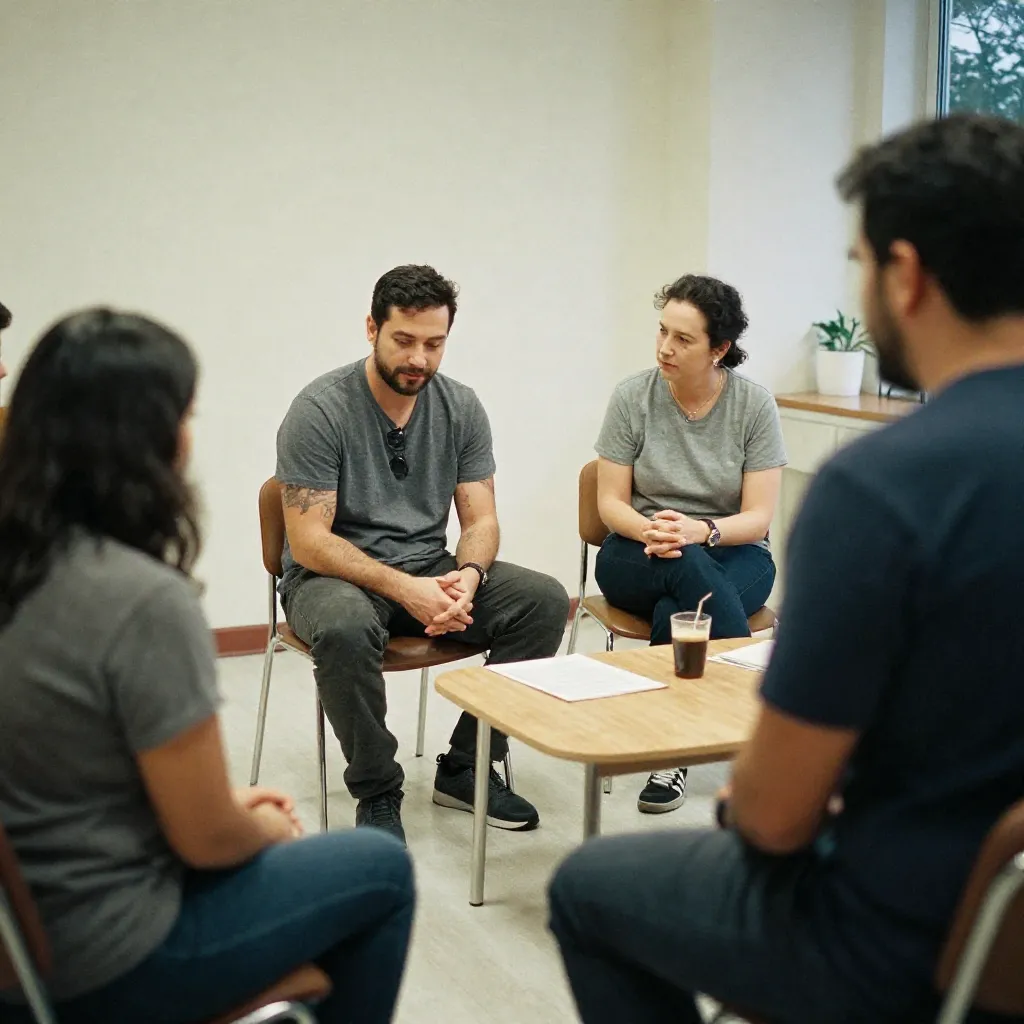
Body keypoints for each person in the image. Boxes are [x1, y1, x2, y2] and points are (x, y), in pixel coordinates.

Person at [548, 113, 1024, 1024]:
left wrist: (767, 789)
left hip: (902, 937)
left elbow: (770, 820)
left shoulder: (882, 490)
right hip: (1008, 929)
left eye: (859, 263)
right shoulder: (642, 400)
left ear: (908, 274)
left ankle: (700, 720)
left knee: (587, 889)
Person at [0, 309, 415, 1024]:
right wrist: (262, 826)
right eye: (186, 416)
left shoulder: (22, 565)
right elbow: (207, 840)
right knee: (380, 868)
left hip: (23, 940)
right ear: (148, 440)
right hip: (117, 956)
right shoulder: (141, 601)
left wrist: (223, 804)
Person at [276, 264, 570, 843]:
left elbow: (480, 518)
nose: (419, 358)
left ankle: (466, 767)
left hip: (428, 567)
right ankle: (377, 789)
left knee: (542, 601)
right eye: (404, 340)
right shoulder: (320, 409)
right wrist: (404, 588)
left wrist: (469, 575)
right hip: (330, 576)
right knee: (344, 627)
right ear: (372, 329)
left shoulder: (461, 407)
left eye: (434, 344)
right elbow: (309, 541)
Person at [593, 274, 786, 813]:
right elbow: (610, 503)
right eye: (662, 331)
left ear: (719, 349)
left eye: (683, 339)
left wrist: (701, 531)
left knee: (676, 610)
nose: (664, 348)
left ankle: (670, 749)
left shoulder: (753, 406)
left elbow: (758, 518)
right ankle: (758, 719)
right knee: (684, 574)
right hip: (636, 550)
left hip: (733, 551)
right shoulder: (633, 396)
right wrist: (650, 530)